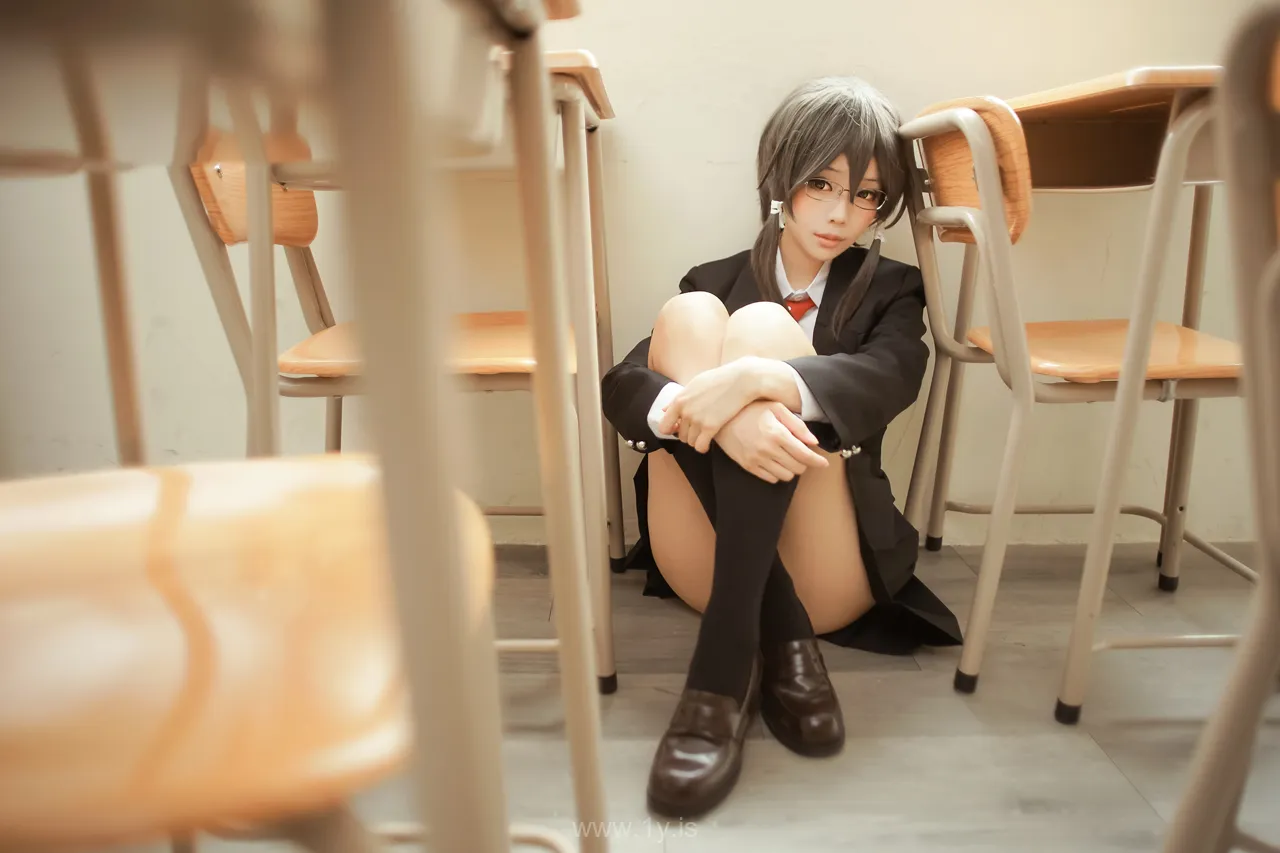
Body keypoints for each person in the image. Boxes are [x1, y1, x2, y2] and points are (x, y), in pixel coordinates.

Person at [601, 76, 963, 818]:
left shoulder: (893, 289)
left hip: (830, 565)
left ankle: (721, 670)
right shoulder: (711, 279)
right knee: (692, 315)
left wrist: (762, 378)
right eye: (821, 183)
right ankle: (779, 636)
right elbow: (622, 386)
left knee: (763, 329)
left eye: (866, 195)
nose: (840, 213)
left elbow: (892, 375)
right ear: (780, 177)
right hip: (701, 557)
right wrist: (718, 415)